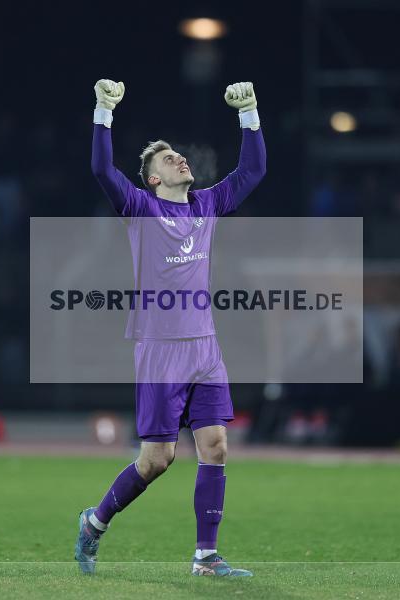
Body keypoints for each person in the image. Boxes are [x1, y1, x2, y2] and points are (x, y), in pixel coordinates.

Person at [74, 79, 266, 577]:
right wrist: (103, 111)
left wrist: (249, 112)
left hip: (204, 348)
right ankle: (94, 523)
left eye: (180, 155)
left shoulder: (207, 204)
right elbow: (100, 168)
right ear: (153, 180)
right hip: (160, 349)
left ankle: (205, 557)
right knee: (157, 460)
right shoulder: (141, 208)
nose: (179, 159)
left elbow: (254, 169)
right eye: (167, 159)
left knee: (216, 446)